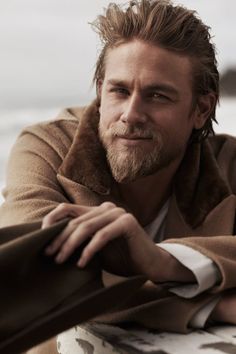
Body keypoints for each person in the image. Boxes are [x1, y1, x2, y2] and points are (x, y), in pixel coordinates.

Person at [1, 0, 236, 351]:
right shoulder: (46, 147)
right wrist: (207, 304)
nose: (131, 114)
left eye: (157, 95)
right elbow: (34, 281)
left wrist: (164, 261)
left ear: (201, 109)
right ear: (100, 90)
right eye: (120, 90)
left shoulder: (229, 163)